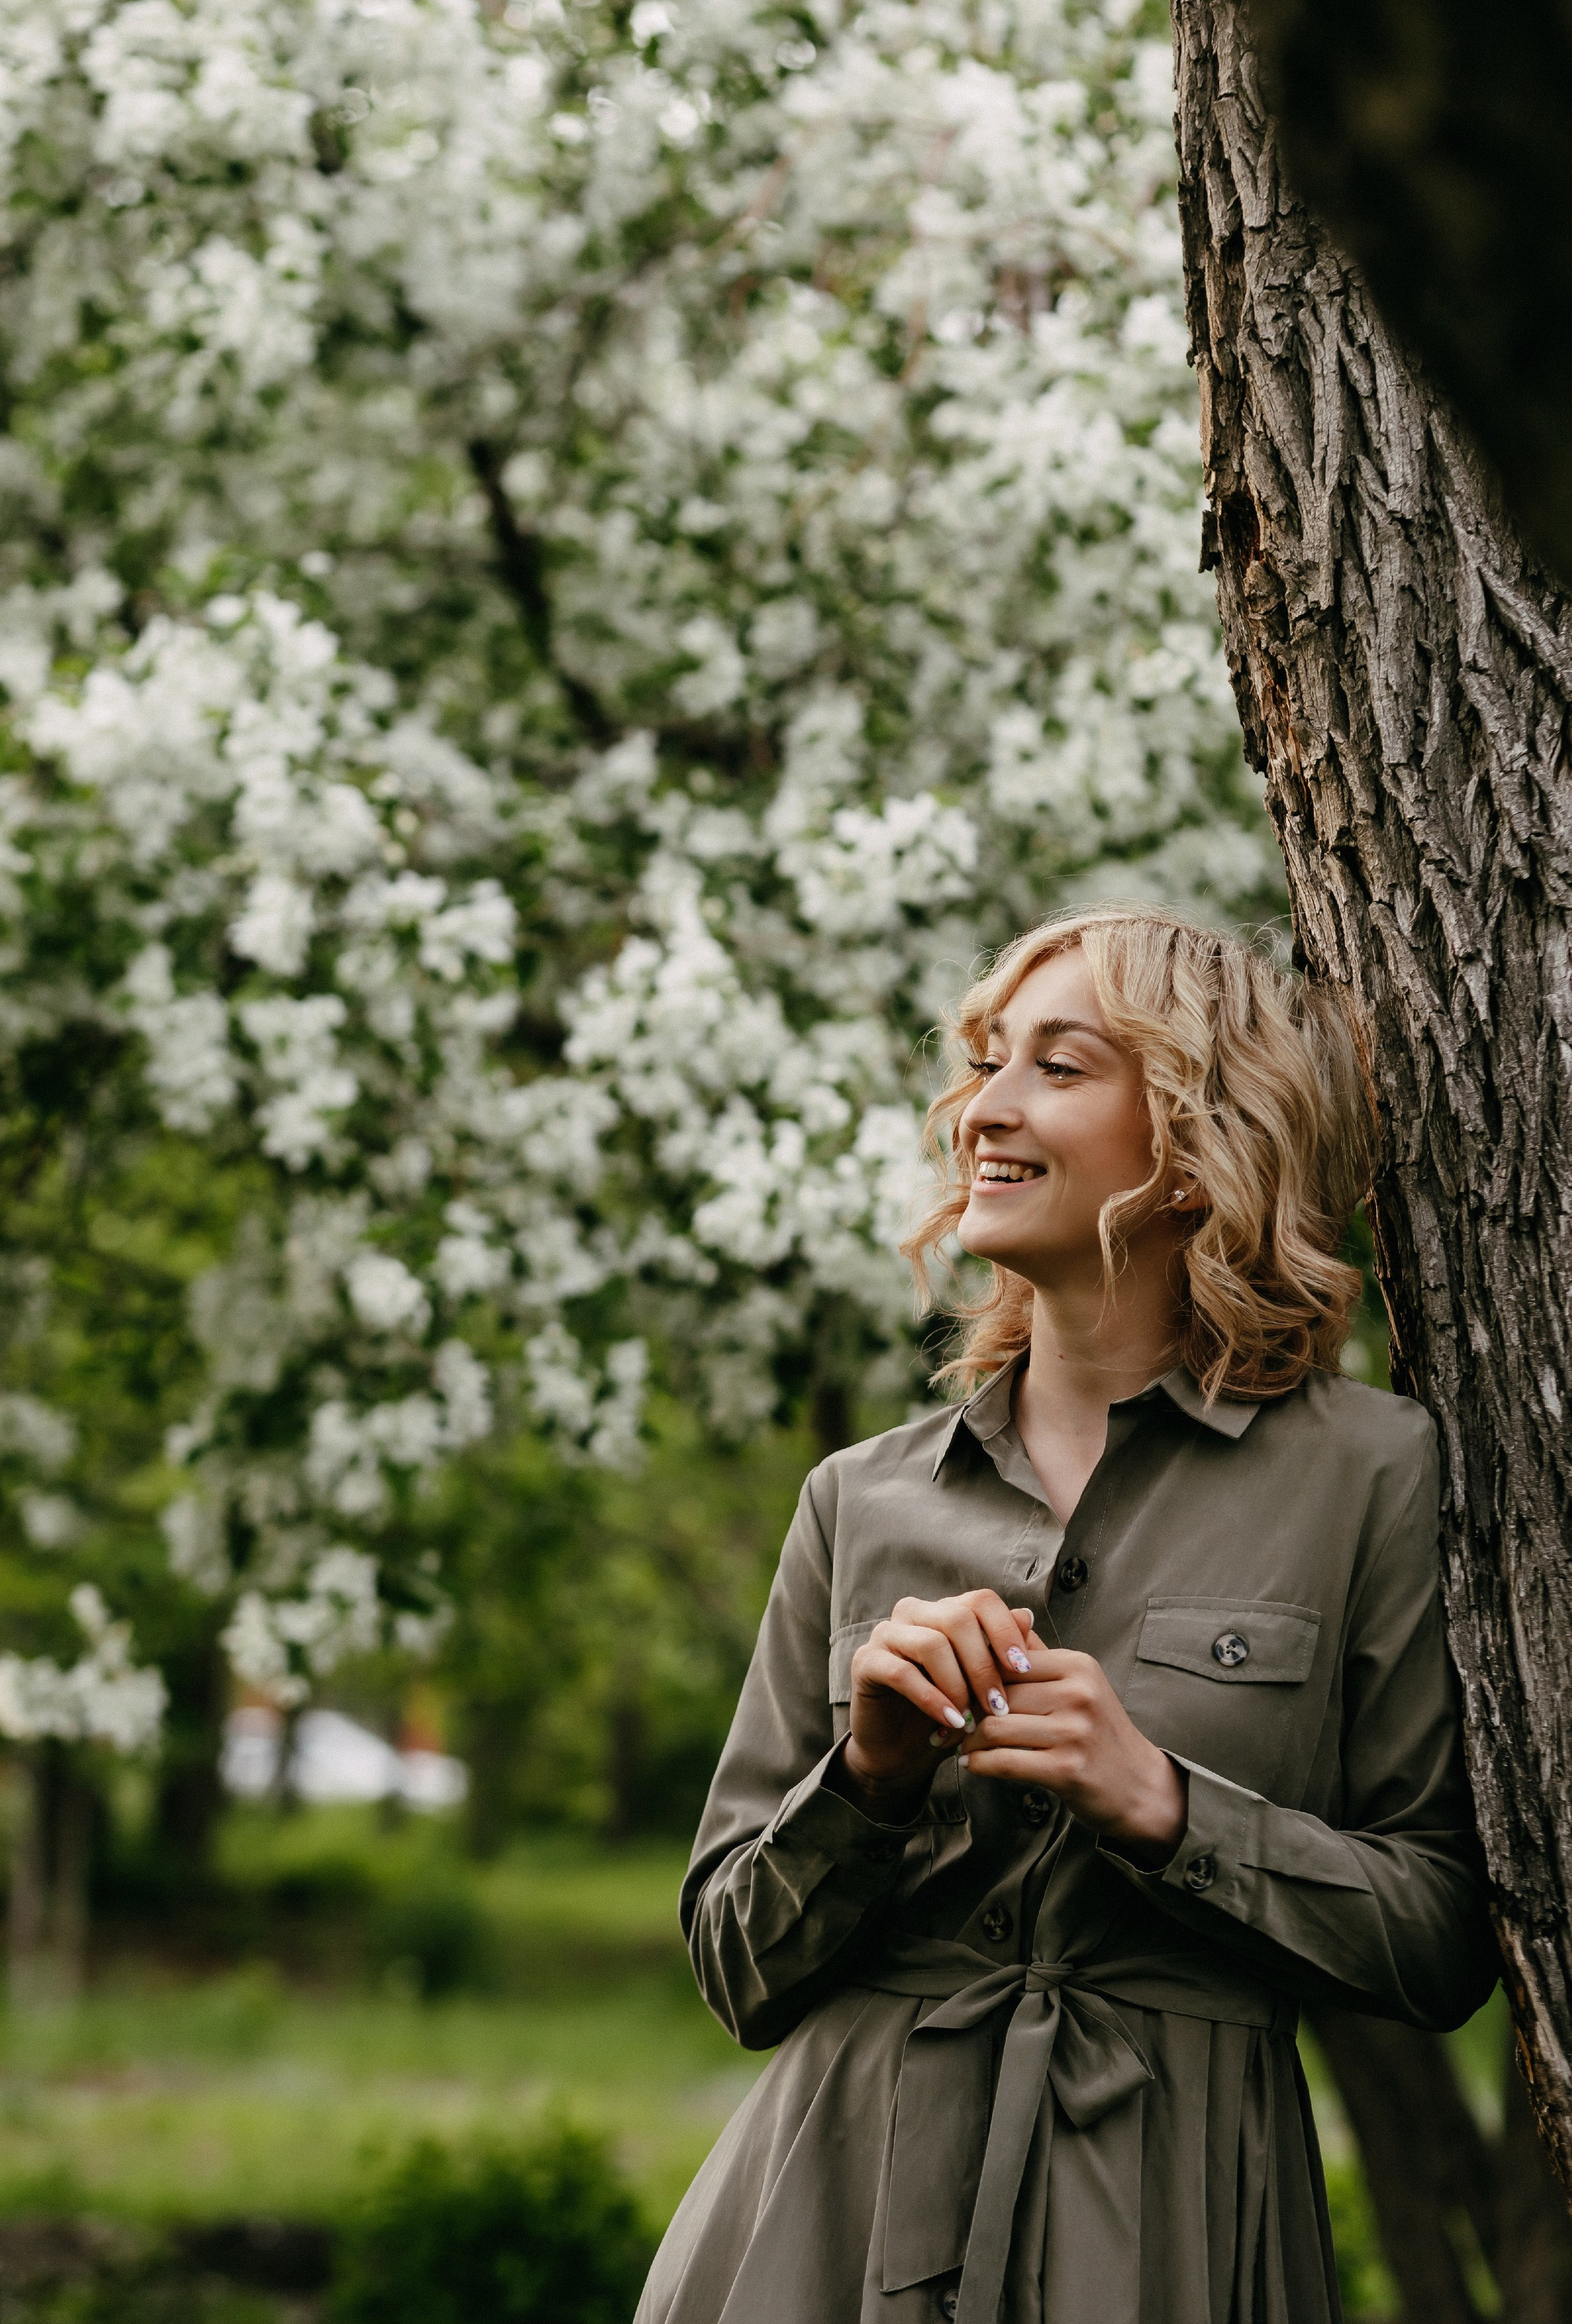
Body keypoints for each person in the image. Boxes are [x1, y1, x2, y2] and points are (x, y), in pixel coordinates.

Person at [636, 905, 1496, 2324]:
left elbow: (1439, 1937)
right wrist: (863, 1784)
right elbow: (736, 1969)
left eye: (1057, 1065)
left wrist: (1165, 1805)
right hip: (825, 2223)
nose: (985, 1107)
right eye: (984, 1063)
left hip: (1173, 2225)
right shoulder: (856, 1499)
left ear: (1195, 1136)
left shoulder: (1369, 1473)